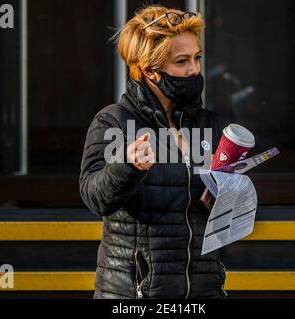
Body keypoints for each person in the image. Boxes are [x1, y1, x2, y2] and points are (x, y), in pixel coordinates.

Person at [79, 5, 230, 299]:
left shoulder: (211, 124)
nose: (194, 69)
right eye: (182, 61)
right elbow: (95, 196)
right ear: (150, 70)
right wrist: (128, 165)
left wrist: (231, 193)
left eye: (197, 58)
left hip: (203, 291)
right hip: (133, 294)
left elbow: (227, 213)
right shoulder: (114, 121)